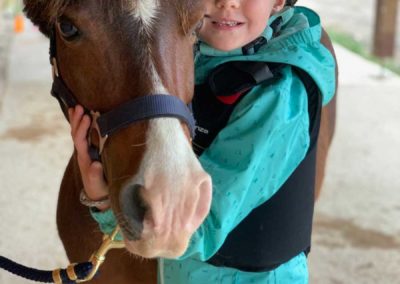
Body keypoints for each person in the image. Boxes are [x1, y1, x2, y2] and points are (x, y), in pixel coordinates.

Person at [68, 0, 336, 282]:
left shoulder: (277, 97)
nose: (227, 2)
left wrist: (104, 202)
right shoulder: (190, 57)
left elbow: (190, 227)